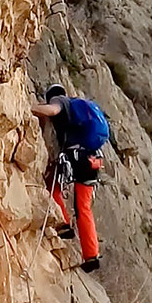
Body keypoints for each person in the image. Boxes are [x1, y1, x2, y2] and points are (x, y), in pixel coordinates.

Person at [31, 83, 109, 273]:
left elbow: (52, 110)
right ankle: (91, 256)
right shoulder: (83, 107)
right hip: (93, 160)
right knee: (84, 208)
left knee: (51, 184)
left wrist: (28, 107)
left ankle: (63, 224)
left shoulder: (60, 101)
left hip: (76, 158)